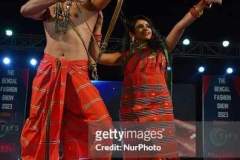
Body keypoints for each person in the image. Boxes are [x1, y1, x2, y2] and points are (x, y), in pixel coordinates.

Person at [92, 0, 220, 159]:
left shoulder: (161, 50)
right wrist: (97, 27)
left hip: (158, 110)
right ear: (132, 34)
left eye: (147, 26)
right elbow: (97, 56)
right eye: (140, 26)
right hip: (132, 114)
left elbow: (180, 27)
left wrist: (199, 6)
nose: (146, 28)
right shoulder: (125, 57)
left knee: (161, 154)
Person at [19, 0, 113, 159]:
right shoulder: (50, 5)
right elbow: (25, 10)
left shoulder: (89, 5)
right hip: (50, 68)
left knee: (102, 124)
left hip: (78, 71)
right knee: (41, 125)